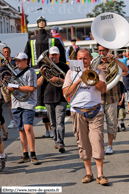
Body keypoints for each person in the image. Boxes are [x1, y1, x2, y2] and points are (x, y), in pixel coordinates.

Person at [62, 48, 109, 185]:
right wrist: (78, 80)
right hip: (77, 112)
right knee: (83, 143)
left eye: (85, 58)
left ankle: (100, 174)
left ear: (90, 59)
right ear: (77, 59)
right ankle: (89, 173)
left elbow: (103, 89)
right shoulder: (71, 73)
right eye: (80, 59)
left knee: (97, 142)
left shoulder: (98, 71)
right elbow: (66, 94)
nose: (83, 61)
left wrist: (90, 77)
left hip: (95, 111)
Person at [24, 16, 66, 137]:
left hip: (53, 73)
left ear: (45, 23)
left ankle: (55, 129)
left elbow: (61, 57)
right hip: (38, 76)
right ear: (37, 24)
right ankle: (49, 129)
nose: (41, 23)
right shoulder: (31, 41)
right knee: (42, 102)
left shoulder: (54, 41)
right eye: (39, 22)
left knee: (53, 101)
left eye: (43, 21)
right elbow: (26, 58)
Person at [7, 52, 39, 165]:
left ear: (26, 60)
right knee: (21, 129)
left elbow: (31, 88)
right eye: (16, 60)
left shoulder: (31, 72)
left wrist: (17, 87)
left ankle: (33, 154)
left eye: (19, 60)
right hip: (16, 103)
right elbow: (9, 87)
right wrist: (9, 87)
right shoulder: (13, 72)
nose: (17, 63)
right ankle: (25, 154)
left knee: (28, 127)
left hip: (28, 103)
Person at [97, 43, 128, 154]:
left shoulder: (113, 61)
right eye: (100, 50)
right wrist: (99, 71)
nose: (102, 53)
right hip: (98, 99)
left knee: (112, 124)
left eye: (104, 50)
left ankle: (109, 145)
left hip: (112, 97)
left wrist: (115, 59)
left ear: (108, 50)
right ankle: (99, 146)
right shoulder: (95, 63)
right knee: (97, 126)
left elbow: (125, 70)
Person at [37, 46, 69, 153]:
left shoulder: (65, 66)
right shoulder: (44, 67)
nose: (54, 56)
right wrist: (42, 74)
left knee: (60, 122)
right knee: (53, 123)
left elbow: (70, 82)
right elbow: (38, 83)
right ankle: (56, 140)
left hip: (61, 97)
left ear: (59, 54)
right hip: (48, 97)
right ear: (49, 56)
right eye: (52, 55)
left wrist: (58, 79)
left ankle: (60, 143)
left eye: (55, 54)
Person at [1, 46, 17, 129]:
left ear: (10, 52)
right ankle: (13, 120)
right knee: (10, 102)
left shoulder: (14, 61)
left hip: (13, 83)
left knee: (15, 101)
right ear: (3, 53)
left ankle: (17, 119)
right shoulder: (1, 62)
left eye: (8, 51)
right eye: (5, 52)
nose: (6, 53)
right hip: (5, 85)